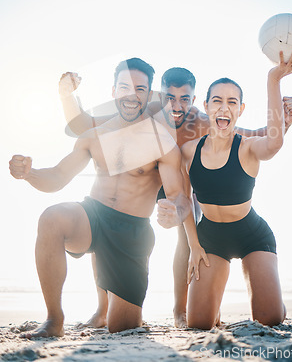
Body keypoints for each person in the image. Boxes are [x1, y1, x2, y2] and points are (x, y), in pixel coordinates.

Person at [58, 67, 292, 328]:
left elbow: (254, 137)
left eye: (185, 99)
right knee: (109, 215)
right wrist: (67, 96)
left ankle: (179, 309)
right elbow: (84, 124)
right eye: (170, 98)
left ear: (195, 101)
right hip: (148, 178)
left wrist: (284, 121)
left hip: (183, 182)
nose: (177, 105)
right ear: (159, 96)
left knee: (190, 227)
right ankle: (103, 308)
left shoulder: (203, 122)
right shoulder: (142, 111)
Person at [9, 57, 191, 338]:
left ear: (148, 94)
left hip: (131, 232)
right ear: (113, 91)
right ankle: (54, 320)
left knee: (123, 326)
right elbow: (58, 176)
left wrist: (175, 213)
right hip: (92, 217)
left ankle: (114, 309)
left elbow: (180, 196)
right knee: (52, 217)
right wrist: (29, 173)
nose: (132, 95)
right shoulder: (94, 135)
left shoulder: (162, 142)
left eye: (140, 89)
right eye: (125, 87)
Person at [181, 49, 292, 329]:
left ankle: (276, 302)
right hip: (210, 238)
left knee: (270, 319)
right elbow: (182, 200)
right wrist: (193, 245)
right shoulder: (189, 151)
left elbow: (274, 142)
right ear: (206, 105)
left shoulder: (249, 147)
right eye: (217, 101)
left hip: (252, 235)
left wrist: (274, 79)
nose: (224, 108)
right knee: (199, 323)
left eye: (232, 102)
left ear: (240, 109)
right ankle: (212, 305)